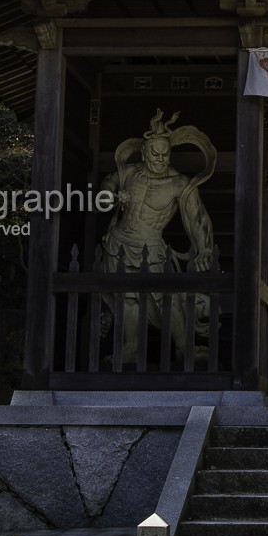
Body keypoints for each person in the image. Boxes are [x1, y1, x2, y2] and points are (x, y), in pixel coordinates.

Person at [98, 110, 216, 363]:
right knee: (127, 298)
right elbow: (108, 182)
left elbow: (197, 219)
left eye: (165, 154)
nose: (160, 159)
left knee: (169, 296)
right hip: (118, 245)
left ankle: (184, 347)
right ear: (143, 153)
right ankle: (131, 349)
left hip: (151, 247)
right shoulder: (129, 172)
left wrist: (205, 248)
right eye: (155, 154)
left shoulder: (179, 183)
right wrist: (109, 195)